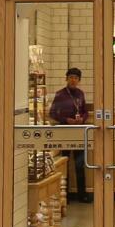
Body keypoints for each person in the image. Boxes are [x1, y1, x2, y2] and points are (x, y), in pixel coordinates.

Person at [49, 67, 90, 202]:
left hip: (78, 132)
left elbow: (85, 111)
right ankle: (64, 196)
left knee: (80, 164)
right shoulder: (60, 94)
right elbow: (52, 113)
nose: (73, 80)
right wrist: (66, 120)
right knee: (64, 163)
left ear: (79, 80)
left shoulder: (80, 94)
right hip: (64, 132)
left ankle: (82, 195)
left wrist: (82, 119)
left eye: (76, 78)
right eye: (71, 77)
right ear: (66, 79)